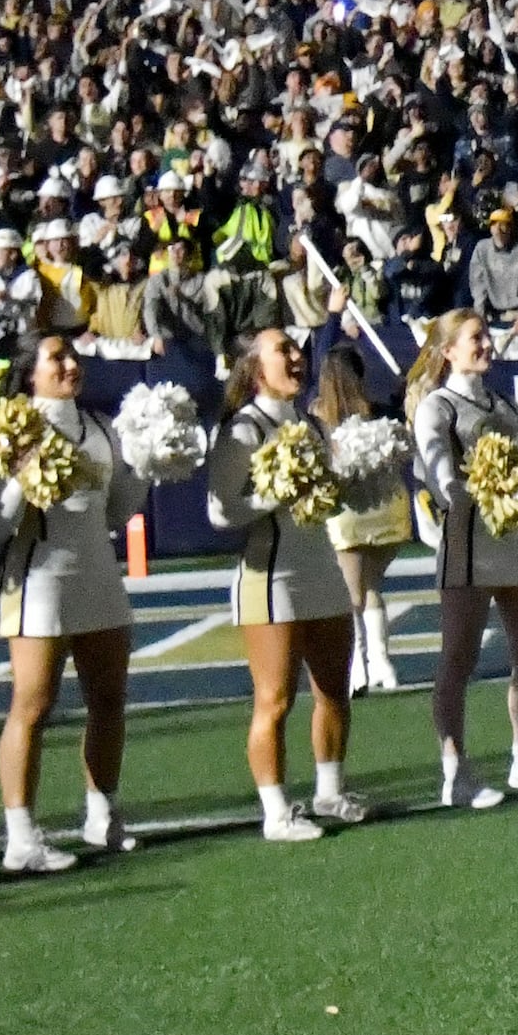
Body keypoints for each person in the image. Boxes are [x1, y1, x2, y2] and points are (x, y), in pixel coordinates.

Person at [0, 332, 149, 873]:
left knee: (108, 699)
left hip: (98, 572)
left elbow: (116, 511)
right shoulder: (11, 427)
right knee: (33, 704)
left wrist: (145, 468)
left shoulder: (100, 428)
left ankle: (102, 813)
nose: (71, 365)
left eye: (73, 357)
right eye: (57, 358)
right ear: (30, 372)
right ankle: (21, 835)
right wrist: (23, 477)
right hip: (39, 576)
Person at [206, 326, 367, 840]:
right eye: (284, 351)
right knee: (275, 699)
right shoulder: (241, 430)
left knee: (334, 690)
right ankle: (276, 812)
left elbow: (323, 503)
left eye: (298, 350)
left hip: (322, 569)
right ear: (255, 369)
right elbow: (221, 511)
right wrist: (279, 493)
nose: (296, 357)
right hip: (270, 576)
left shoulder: (311, 425)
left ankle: (330, 791)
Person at [408, 308, 518, 807]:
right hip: (469, 548)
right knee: (458, 659)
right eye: (476, 338)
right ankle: (456, 771)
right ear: (448, 350)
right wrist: (454, 490)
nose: (486, 344)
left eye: (487, 336)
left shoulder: (504, 404)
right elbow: (433, 464)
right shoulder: (438, 406)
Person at [313, 344, 412, 693]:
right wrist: (404, 394)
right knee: (370, 588)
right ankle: (383, 664)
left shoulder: (317, 418)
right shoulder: (379, 413)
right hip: (387, 507)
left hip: (348, 514)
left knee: (351, 594)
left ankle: (358, 668)